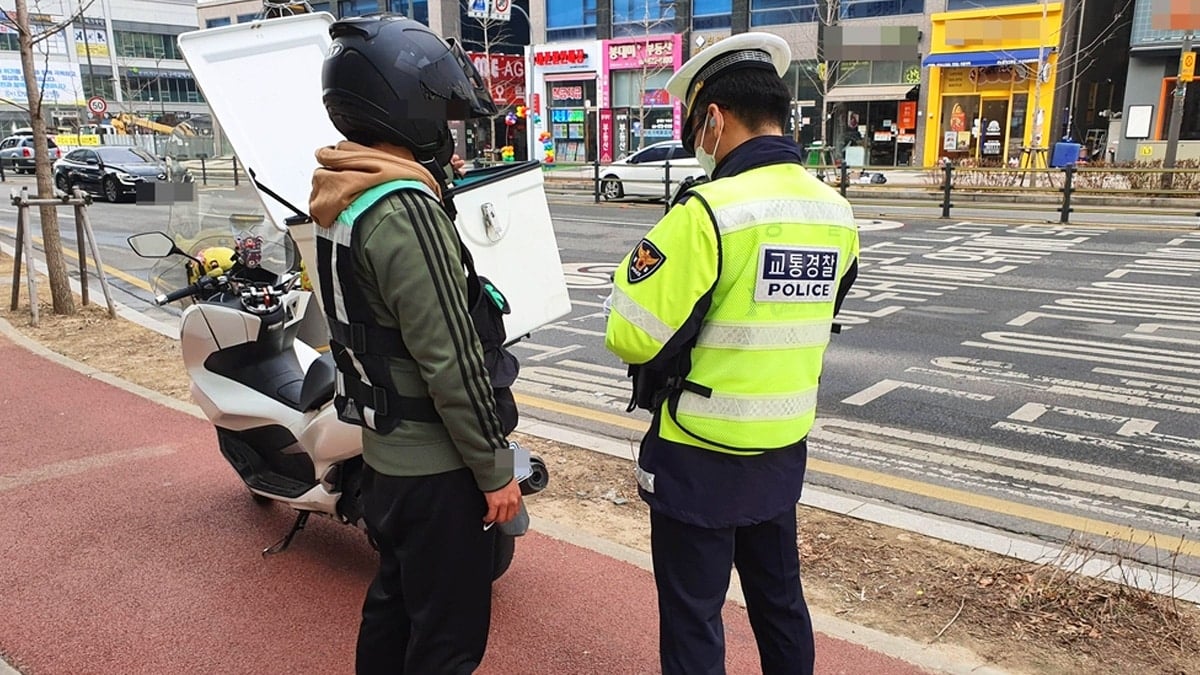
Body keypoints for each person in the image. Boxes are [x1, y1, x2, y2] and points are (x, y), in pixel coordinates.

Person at [604, 33, 861, 675]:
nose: (697, 143)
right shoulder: (836, 213)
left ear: (715, 117)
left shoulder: (708, 211)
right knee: (780, 603)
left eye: (696, 127)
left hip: (699, 451)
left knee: (695, 615)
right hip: (780, 447)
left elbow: (631, 332)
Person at [308, 15, 522, 674]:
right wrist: (495, 468)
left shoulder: (345, 197)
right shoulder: (404, 208)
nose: (448, 132)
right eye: (444, 113)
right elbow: (451, 362)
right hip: (438, 472)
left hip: (387, 460)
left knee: (395, 607)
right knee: (447, 641)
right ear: (410, 106)